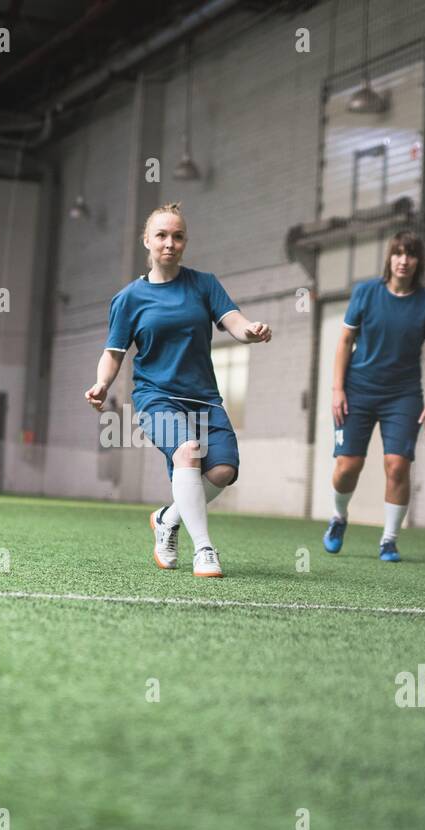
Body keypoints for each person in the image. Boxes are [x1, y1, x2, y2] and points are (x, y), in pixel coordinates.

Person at [84, 202, 271, 578]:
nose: (170, 243)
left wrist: (249, 330)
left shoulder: (204, 285)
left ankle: (167, 518)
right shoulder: (130, 299)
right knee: (188, 452)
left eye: (178, 236)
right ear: (147, 241)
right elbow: (114, 351)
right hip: (157, 397)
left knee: (222, 470)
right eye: (162, 235)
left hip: (204, 397)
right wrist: (102, 383)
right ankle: (204, 549)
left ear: (185, 241)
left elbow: (231, 319)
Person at [322, 231, 425, 561]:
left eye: (411, 254)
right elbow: (345, 341)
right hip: (357, 390)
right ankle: (338, 517)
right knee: (347, 466)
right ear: (389, 258)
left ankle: (389, 539)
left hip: (403, 395)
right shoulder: (365, 293)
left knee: (397, 465)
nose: (404, 260)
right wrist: (337, 389)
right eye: (398, 253)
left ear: (419, 262)